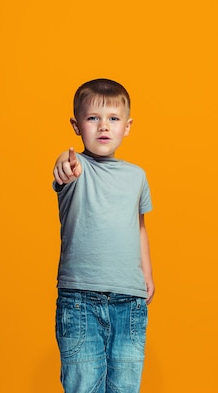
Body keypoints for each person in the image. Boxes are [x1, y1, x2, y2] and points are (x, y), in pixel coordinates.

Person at [52, 78, 154, 393]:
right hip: (80, 299)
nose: (103, 127)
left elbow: (138, 226)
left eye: (113, 118)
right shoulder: (75, 166)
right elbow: (63, 168)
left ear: (127, 126)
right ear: (76, 125)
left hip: (130, 300)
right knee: (83, 385)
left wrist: (147, 275)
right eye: (93, 118)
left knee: (125, 386)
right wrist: (63, 165)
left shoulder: (137, 176)